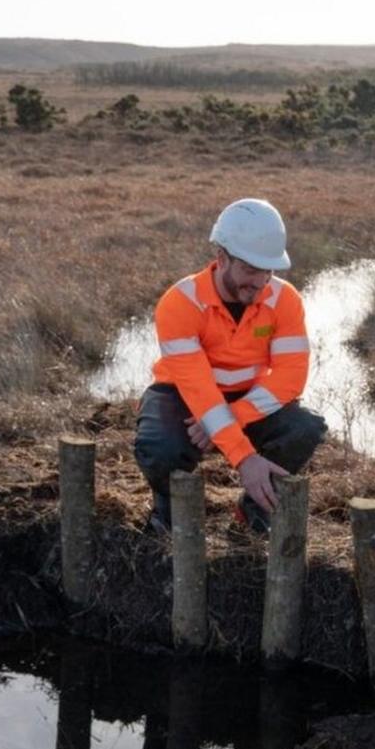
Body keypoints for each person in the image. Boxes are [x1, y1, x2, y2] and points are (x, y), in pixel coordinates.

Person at [133, 198, 327, 534]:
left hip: (247, 399)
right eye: (251, 270)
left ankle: (252, 515)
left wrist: (232, 417)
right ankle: (168, 513)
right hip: (181, 395)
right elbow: (197, 386)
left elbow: (291, 377)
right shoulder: (181, 302)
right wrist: (243, 457)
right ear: (221, 258)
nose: (261, 281)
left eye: (269, 270)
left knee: (304, 429)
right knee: (159, 448)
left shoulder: (285, 300)